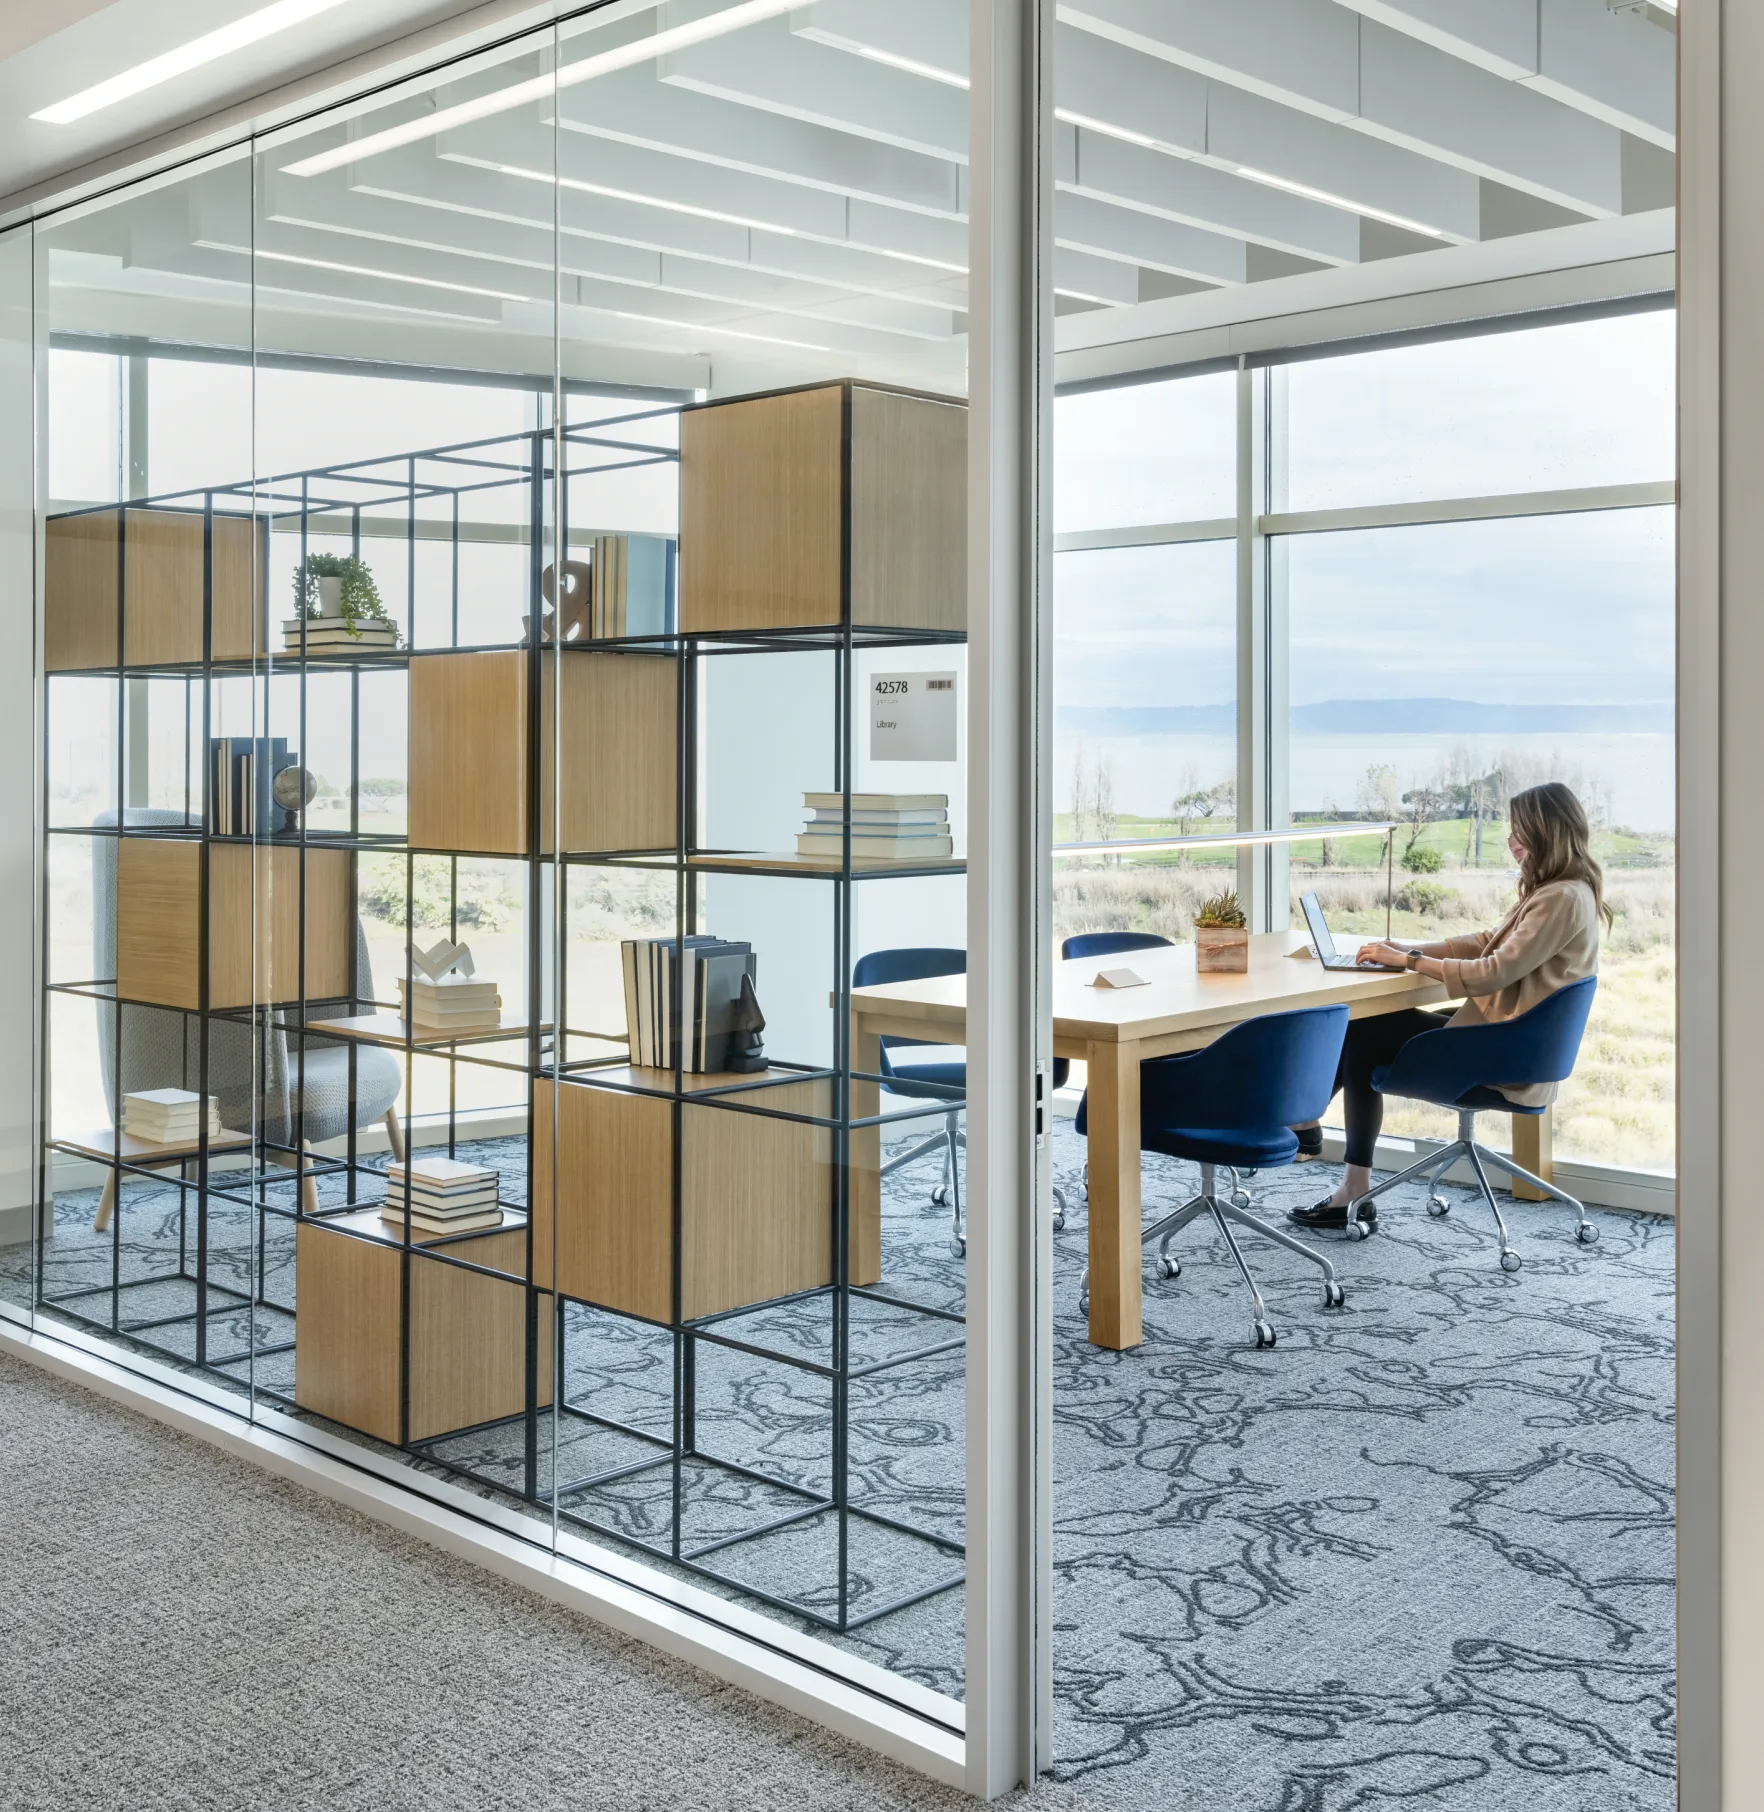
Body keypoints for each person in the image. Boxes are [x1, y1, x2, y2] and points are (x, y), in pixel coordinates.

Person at [1288, 780, 1609, 1231]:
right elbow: (1484, 942)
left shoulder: (1560, 897)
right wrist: (1408, 948)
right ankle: (1317, 1133)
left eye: (1522, 833)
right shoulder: (1560, 890)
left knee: (1363, 1030)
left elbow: (1495, 969)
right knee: (1371, 1025)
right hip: (1509, 1039)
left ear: (1547, 834)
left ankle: (1315, 1133)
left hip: (1509, 1056)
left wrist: (1411, 961)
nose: (1513, 843)